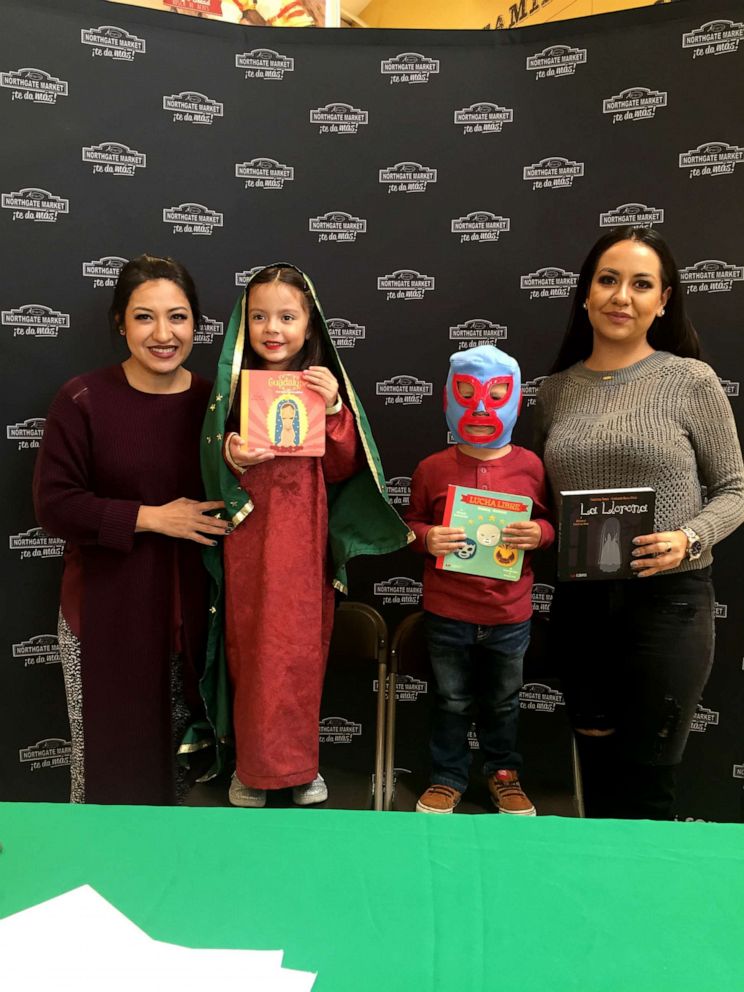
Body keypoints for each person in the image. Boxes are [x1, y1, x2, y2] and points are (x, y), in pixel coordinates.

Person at [535, 226, 744, 820]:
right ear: (585, 294)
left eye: (640, 284)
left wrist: (688, 538)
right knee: (594, 777)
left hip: (670, 606)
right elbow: (543, 502)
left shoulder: (691, 380)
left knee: (650, 779)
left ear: (664, 300)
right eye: (607, 280)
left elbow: (735, 490)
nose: (620, 296)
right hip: (581, 607)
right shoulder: (553, 393)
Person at [200, 263, 410, 808]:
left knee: (297, 654)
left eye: (287, 316)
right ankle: (252, 770)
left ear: (310, 325)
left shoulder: (322, 383)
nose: (274, 328)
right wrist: (231, 454)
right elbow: (210, 461)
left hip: (305, 546)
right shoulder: (232, 388)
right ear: (243, 325)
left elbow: (345, 468)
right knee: (251, 651)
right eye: (260, 316)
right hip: (249, 546)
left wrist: (336, 407)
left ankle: (297, 769)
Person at [33, 255, 229, 805]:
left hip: (196, 623)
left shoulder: (219, 405)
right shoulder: (82, 399)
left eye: (178, 317)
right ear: (120, 322)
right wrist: (153, 517)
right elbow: (54, 505)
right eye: (145, 318)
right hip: (104, 615)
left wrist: (328, 401)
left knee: (190, 780)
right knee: (107, 775)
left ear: (197, 323)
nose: (163, 334)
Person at [405, 345, 554, 815]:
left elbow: (550, 525)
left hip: (509, 613)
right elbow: (409, 526)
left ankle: (503, 774)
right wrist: (427, 537)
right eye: (466, 394)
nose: (481, 408)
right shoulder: (432, 468)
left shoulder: (532, 466)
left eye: (495, 395)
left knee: (504, 702)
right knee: (451, 701)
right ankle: (448, 776)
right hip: (448, 611)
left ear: (514, 400)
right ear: (449, 397)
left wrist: (539, 534)